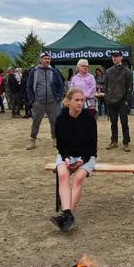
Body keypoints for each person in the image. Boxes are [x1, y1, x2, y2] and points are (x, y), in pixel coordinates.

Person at [50, 88, 97, 232]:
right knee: (63, 175)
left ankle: (67, 215)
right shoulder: (60, 119)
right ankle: (68, 215)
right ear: (68, 101)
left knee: (78, 178)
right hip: (67, 155)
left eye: (82, 100)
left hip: (86, 156)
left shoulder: (89, 119)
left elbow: (92, 146)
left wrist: (82, 160)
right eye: (76, 100)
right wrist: (65, 158)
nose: (80, 103)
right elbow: (61, 145)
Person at [27, 52, 64, 149]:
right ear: (40, 60)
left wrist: (58, 98)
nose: (47, 60)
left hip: (52, 102)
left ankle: (55, 139)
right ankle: (32, 140)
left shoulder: (54, 71)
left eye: (48, 58)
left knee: (54, 121)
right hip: (39, 102)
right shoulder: (34, 71)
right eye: (45, 58)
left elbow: (61, 85)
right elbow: (29, 86)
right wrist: (33, 100)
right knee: (36, 121)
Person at [104, 50, 133, 151]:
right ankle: (114, 141)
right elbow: (106, 86)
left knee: (124, 123)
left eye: (116, 56)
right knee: (113, 123)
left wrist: (126, 101)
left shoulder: (127, 71)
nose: (114, 58)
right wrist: (107, 99)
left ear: (121, 57)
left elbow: (130, 88)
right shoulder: (108, 71)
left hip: (122, 102)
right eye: (113, 56)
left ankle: (126, 142)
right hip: (111, 101)